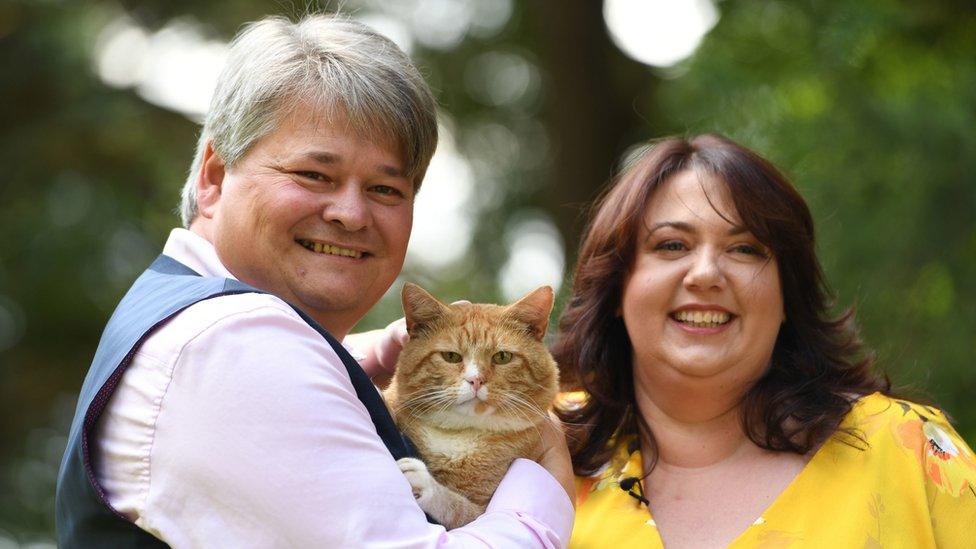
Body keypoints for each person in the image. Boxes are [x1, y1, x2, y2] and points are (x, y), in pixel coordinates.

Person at [55, 14, 574, 548]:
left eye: (385, 190)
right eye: (314, 175)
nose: (350, 213)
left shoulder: (186, 313)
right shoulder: (236, 343)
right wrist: (546, 483)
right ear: (214, 176)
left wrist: (347, 360)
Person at [554, 134, 976, 548]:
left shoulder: (908, 451)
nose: (704, 273)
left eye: (744, 249)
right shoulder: (533, 449)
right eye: (671, 245)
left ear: (787, 293)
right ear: (616, 288)